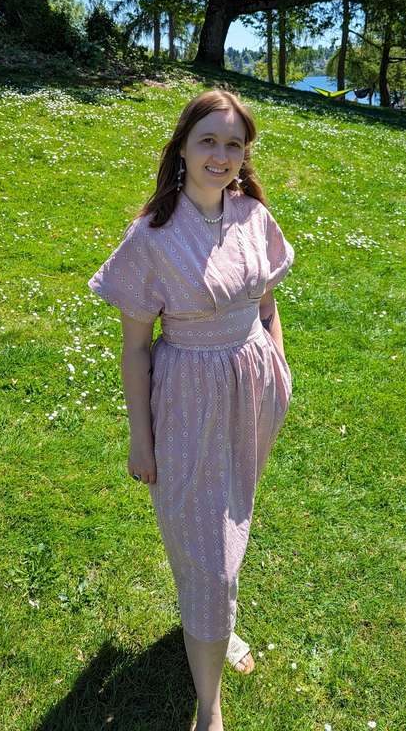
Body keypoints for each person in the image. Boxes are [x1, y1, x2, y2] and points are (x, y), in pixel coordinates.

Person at [88, 90, 294, 731]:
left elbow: (266, 301)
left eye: (235, 144)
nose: (222, 156)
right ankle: (209, 708)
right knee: (206, 547)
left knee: (232, 518)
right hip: (188, 403)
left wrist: (277, 368)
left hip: (251, 394)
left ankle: (216, 620)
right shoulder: (151, 238)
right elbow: (135, 348)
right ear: (182, 147)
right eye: (209, 140)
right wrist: (140, 438)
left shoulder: (252, 215)